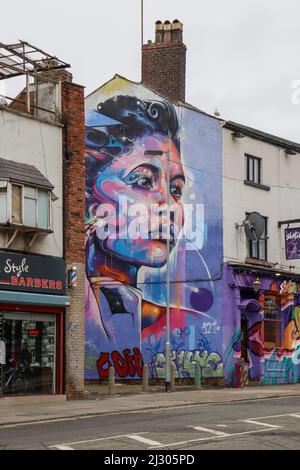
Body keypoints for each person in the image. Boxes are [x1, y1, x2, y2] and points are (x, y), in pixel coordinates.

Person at [85, 95, 214, 379]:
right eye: (143, 181)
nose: (168, 206)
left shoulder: (180, 323)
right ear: (90, 201)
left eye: (176, 190)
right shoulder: (82, 306)